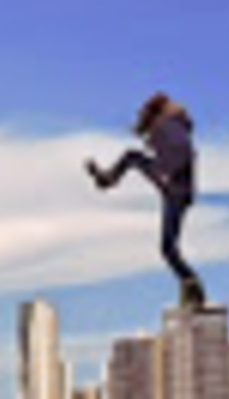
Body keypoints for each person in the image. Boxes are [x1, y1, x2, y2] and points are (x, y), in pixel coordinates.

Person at [84, 92, 207, 308]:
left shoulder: (167, 125)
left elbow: (186, 152)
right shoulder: (171, 125)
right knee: (167, 248)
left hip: (174, 187)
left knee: (132, 157)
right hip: (176, 192)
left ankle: (107, 179)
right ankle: (191, 285)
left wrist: (169, 171)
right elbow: (181, 148)